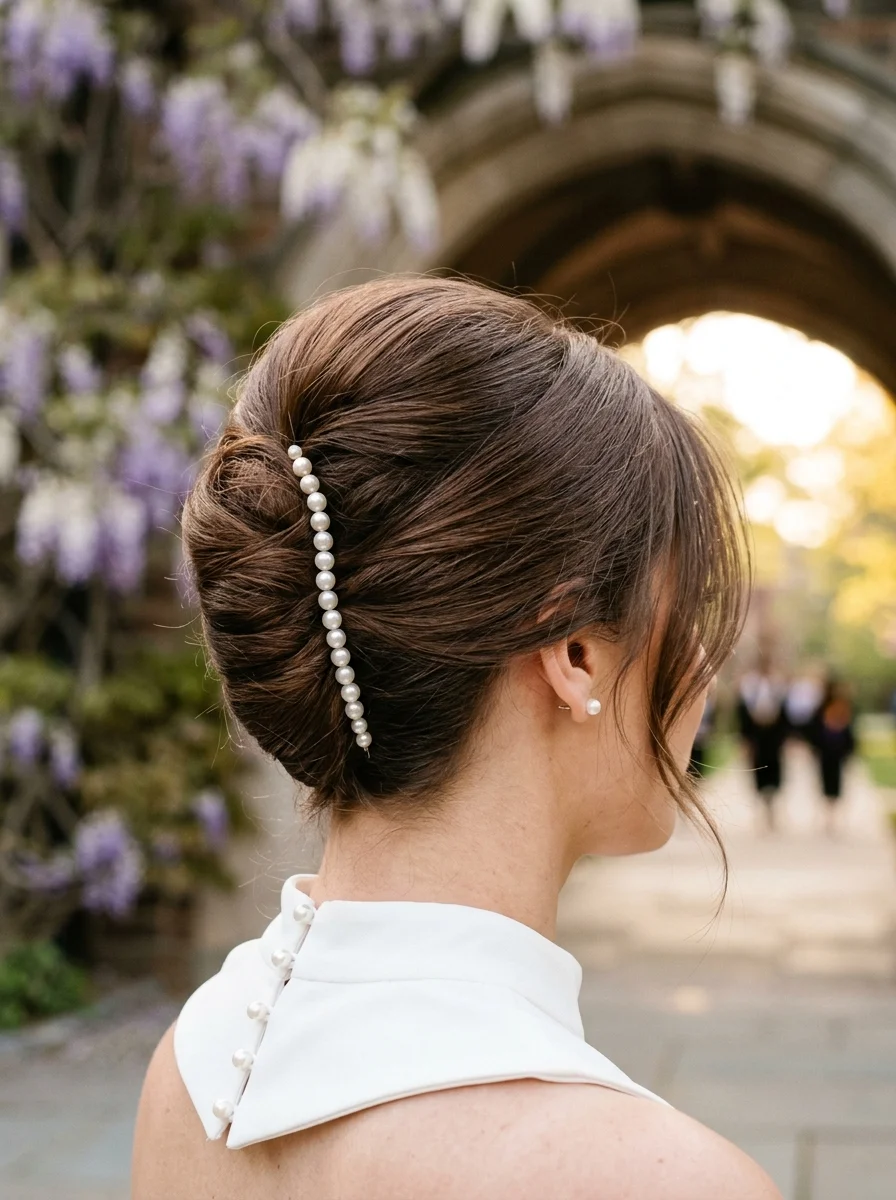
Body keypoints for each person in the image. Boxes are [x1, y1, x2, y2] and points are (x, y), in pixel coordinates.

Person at [133, 278, 779, 1200]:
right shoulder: (660, 1179)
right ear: (577, 654)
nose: (706, 664)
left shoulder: (196, 1067)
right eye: (693, 605)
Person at [737, 656, 789, 831]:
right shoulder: (749, 687)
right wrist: (745, 740)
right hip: (757, 737)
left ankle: (772, 810)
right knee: (758, 773)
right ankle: (762, 810)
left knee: (774, 774)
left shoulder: (778, 686)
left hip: (773, 738)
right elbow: (742, 715)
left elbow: (785, 715)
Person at [809, 678, 856, 835]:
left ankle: (833, 814)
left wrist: (849, 750)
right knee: (825, 781)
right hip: (825, 751)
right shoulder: (821, 709)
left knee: (836, 782)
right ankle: (827, 814)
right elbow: (814, 730)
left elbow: (850, 731)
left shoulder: (843, 707)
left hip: (838, 751)